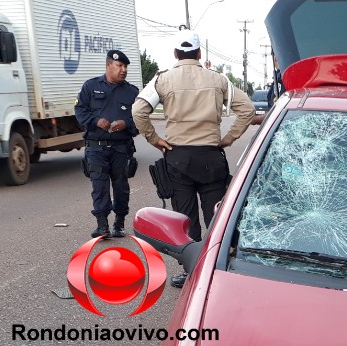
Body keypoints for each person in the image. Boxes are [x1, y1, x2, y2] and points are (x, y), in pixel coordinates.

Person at [133, 30, 256, 285]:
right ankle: (217, 269)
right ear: (199, 54)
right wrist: (229, 137)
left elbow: (138, 111)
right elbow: (247, 109)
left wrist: (155, 140)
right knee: (216, 216)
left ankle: (191, 271)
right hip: (211, 157)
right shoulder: (218, 79)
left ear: (175, 54)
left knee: (185, 217)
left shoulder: (163, 80)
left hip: (178, 157)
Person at [75, 50, 139, 238]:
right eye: (119, 66)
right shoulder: (90, 86)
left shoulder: (132, 91)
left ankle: (119, 223)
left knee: (121, 186)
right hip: (97, 147)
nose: (123, 70)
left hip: (121, 148)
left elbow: (141, 119)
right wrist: (96, 121)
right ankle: (102, 225)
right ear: (108, 65)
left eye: (125, 66)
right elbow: (80, 111)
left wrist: (126, 123)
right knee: (99, 185)